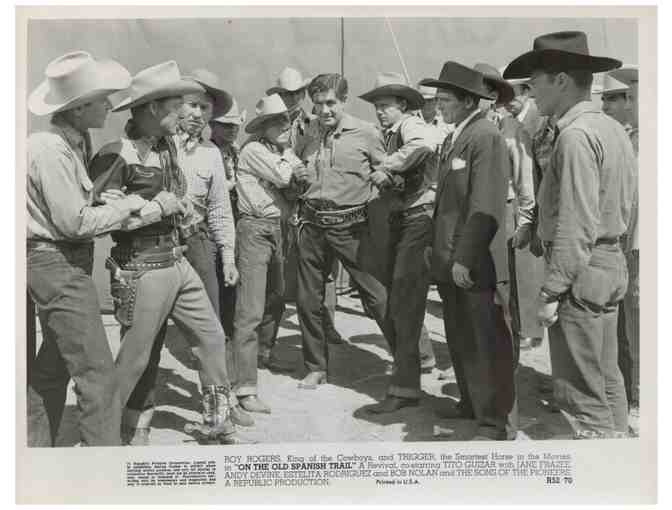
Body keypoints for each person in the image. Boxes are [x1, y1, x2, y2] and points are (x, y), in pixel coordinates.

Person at [89, 61, 245, 444]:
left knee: (210, 337)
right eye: (178, 105)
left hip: (178, 259)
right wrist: (160, 205)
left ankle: (217, 418)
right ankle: (106, 431)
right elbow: (100, 220)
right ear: (154, 108)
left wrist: (175, 205)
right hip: (142, 266)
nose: (187, 114)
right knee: (136, 357)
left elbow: (172, 199)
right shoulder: (116, 155)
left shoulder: (167, 149)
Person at [504, 31, 636, 438]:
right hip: (609, 264)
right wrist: (536, 227)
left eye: (535, 83)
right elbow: (621, 207)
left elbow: (577, 224)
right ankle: (620, 460)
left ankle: (603, 475)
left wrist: (550, 292)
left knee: (581, 393)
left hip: (581, 271)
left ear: (560, 80)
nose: (531, 94)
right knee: (606, 375)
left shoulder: (575, 136)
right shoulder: (610, 128)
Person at [26, 51, 142, 446]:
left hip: (56, 260)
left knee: (53, 366)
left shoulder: (71, 143)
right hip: (55, 261)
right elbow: (72, 223)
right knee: (97, 375)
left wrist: (104, 203)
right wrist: (126, 207)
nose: (109, 106)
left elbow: (73, 210)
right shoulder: (49, 149)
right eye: (100, 100)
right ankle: (103, 476)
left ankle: (37, 453)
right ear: (76, 109)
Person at [422, 61, 516, 440]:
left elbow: (485, 205)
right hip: (450, 260)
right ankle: (471, 404)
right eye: (438, 98)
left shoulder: (485, 136)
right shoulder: (456, 136)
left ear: (466, 101)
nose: (438, 104)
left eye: (444, 99)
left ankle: (495, 423)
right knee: (460, 336)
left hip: (472, 263)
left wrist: (465, 257)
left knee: (486, 341)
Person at [294, 73, 394, 389]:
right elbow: (299, 172)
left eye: (331, 103)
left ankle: (406, 362)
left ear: (344, 101)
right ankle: (316, 367)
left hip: (353, 228)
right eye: (319, 104)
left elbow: (388, 171)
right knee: (308, 300)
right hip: (311, 227)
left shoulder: (366, 133)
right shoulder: (307, 132)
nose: (324, 110)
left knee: (377, 297)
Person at [358, 72, 437, 412]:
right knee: (400, 302)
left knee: (404, 304)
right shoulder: (392, 133)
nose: (379, 112)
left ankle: (406, 389)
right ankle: (407, 382)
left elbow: (424, 146)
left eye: (385, 106)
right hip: (405, 218)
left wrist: (388, 167)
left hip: (419, 219)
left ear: (402, 105)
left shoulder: (409, 128)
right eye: (376, 107)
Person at [230, 94, 309, 411]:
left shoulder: (280, 150)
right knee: (250, 309)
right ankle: (244, 387)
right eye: (276, 122)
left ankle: (264, 353)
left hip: (278, 228)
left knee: (276, 297)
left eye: (286, 121)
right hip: (255, 228)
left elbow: (301, 176)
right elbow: (289, 177)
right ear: (263, 127)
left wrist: (293, 169)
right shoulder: (253, 150)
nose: (284, 126)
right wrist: (293, 170)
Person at [267, 66, 346, 347]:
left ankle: (328, 325)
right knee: (282, 272)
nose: (291, 99)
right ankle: (269, 338)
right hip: (283, 204)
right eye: (285, 94)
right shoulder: (269, 125)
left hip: (311, 206)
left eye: (295, 93)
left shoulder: (316, 123)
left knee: (323, 272)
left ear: (303, 94)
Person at [475, 63, 544, 352]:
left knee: (526, 269)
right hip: (508, 203)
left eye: (506, 94)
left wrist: (527, 215)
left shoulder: (523, 124)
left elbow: (525, 173)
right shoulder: (502, 123)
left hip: (521, 203)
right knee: (512, 272)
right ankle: (520, 325)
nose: (501, 102)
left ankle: (530, 328)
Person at [610, 65, 639, 418]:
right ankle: (636, 391)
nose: (629, 105)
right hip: (630, 241)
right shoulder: (632, 138)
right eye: (627, 97)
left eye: (633, 98)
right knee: (633, 317)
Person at [210, 99, 246, 340]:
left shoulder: (235, 150)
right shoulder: (207, 151)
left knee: (231, 276)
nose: (232, 130)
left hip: (235, 218)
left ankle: (228, 329)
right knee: (213, 278)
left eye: (235, 125)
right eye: (226, 125)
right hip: (212, 222)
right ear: (213, 125)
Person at [416, 82, 453, 148]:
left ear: (437, 101)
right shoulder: (408, 123)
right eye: (424, 100)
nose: (427, 104)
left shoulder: (448, 127)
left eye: (430, 100)